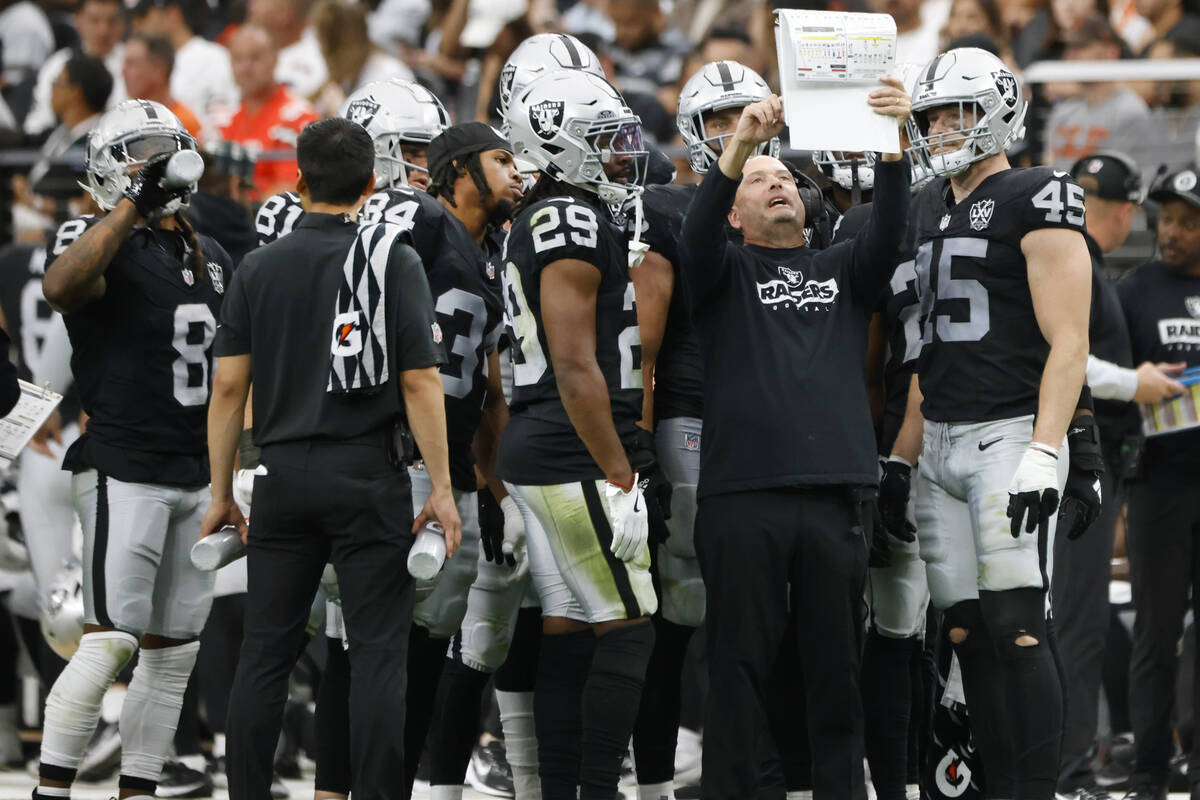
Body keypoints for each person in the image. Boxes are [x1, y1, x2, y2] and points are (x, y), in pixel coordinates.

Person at [205, 116, 461, 800]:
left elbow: (229, 387)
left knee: (265, 655)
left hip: (283, 475)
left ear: (298, 180)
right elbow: (418, 381)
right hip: (366, 472)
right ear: (372, 184)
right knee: (378, 654)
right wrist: (440, 485)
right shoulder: (391, 257)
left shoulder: (258, 266)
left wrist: (221, 490)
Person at [676, 67, 911, 796]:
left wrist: (893, 140)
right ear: (735, 213)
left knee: (836, 674)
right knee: (739, 669)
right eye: (758, 180)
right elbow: (692, 244)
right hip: (742, 496)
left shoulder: (843, 268)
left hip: (836, 497)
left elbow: (891, 229)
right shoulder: (722, 273)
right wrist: (739, 147)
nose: (776, 183)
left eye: (784, 176)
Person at [887, 46, 1092, 800]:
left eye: (956, 112)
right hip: (939, 434)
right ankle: (996, 786)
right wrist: (903, 460)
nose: (941, 128)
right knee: (965, 630)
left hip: (1009, 431)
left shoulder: (1037, 191)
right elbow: (924, 350)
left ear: (1000, 110)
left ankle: (1038, 789)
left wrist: (1047, 449)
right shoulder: (924, 202)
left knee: (1018, 626)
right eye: (932, 115)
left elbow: (1070, 339)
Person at [32, 98, 231, 800]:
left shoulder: (212, 255)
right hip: (126, 467)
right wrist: (129, 210)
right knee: (111, 638)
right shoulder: (95, 234)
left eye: (167, 146)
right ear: (113, 167)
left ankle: (139, 789)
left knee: (174, 656)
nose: (160, 160)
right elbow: (61, 288)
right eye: (144, 149)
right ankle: (50, 788)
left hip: (195, 472)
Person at [634, 58, 789, 800]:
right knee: (679, 611)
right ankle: (659, 782)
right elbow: (649, 345)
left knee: (763, 618)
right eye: (721, 122)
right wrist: (644, 440)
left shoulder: (792, 197)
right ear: (695, 133)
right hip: (693, 413)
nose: (739, 133)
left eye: (746, 116)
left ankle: (754, 777)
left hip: (766, 423)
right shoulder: (664, 207)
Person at [500, 69, 657, 800]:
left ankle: (558, 790)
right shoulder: (571, 218)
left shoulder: (547, 212)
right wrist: (618, 470)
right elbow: (572, 360)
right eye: (602, 141)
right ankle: (595, 788)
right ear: (556, 148)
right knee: (631, 625)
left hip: (543, 446)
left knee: (567, 624)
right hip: (573, 450)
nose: (622, 155)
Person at [1052, 151, 1183, 800]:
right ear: (1131, 212)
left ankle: (1069, 764)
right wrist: (1137, 384)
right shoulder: (1082, 266)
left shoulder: (1077, 261)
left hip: (1077, 456)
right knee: (1077, 620)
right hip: (1080, 458)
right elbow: (1067, 361)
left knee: (1078, 618)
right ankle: (1071, 771)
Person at [1115, 165, 1200, 800]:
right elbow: (1111, 388)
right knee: (1155, 630)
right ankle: (1148, 768)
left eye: (1188, 222)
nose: (1172, 233)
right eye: (1166, 220)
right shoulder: (1134, 290)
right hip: (1158, 488)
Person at [221, 24, 320, 198]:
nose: (245, 68)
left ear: (275, 59)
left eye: (255, 58)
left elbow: (294, 189)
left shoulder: (297, 118)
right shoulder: (228, 118)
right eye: (237, 59)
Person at [1042, 15, 1149, 170]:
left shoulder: (1129, 111)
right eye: (1069, 48)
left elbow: (1120, 178)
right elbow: (1048, 165)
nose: (1070, 56)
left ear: (1111, 53)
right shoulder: (1064, 109)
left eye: (1080, 47)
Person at [129, 0, 238, 133]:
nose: (137, 25)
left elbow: (223, 118)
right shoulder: (144, 59)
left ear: (172, 14)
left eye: (144, 16)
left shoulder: (214, 57)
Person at [24, 0, 126, 138]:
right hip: (67, 149)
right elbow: (40, 121)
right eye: (94, 21)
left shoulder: (135, 61)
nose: (103, 30)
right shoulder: (58, 64)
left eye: (111, 21)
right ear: (77, 21)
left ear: (123, 23)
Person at [26, 55, 113, 203]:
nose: (52, 88)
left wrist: (32, 201)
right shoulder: (59, 132)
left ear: (75, 92)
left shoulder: (95, 144)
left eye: (57, 82)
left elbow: (75, 203)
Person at [121, 33, 203, 138]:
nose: (123, 71)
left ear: (159, 69)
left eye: (132, 64)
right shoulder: (124, 120)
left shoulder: (183, 124)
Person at [245, 0, 329, 99]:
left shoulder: (315, 66)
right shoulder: (240, 51)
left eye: (258, 2)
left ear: (282, 13)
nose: (250, 7)